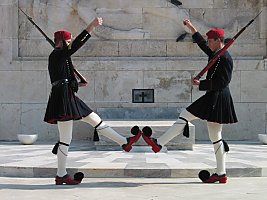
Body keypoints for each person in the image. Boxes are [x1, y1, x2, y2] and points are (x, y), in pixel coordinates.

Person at [44, 17, 141, 185]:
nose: (71, 43)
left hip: (66, 95)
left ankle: (124, 142)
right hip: (63, 99)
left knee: (93, 120)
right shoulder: (57, 54)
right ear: (62, 42)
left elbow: (63, 79)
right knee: (67, 138)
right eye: (69, 40)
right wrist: (92, 27)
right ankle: (61, 175)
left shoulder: (59, 56)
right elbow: (76, 46)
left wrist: (77, 83)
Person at [141, 19, 238, 184]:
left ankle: (159, 143)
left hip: (218, 97)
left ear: (218, 41)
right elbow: (201, 44)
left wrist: (202, 84)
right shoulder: (216, 54)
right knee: (216, 136)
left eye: (210, 40)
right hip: (215, 96)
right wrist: (192, 28)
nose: (208, 43)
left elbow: (224, 82)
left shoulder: (226, 58)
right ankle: (221, 174)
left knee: (186, 115)